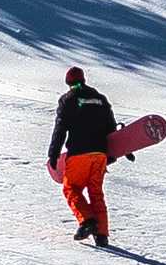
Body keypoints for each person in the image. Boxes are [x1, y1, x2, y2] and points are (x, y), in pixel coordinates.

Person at [47, 64, 119, 245]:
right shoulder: (100, 99)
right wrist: (112, 154)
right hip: (100, 153)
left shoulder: (68, 99)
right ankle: (102, 234)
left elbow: (60, 128)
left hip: (79, 152)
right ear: (83, 80)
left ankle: (87, 221)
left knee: (71, 188)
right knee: (96, 192)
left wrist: (53, 154)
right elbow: (111, 127)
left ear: (68, 82)